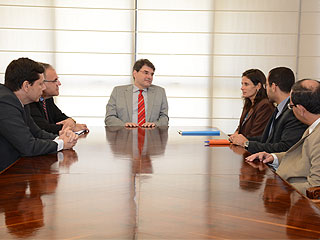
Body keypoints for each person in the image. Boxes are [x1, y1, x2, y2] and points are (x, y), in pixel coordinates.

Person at [246, 79, 320, 196]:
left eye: (291, 107)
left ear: (300, 109)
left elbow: (315, 187)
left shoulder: (318, 137)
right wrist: (273, 157)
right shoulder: (313, 127)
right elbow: (300, 156)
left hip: (297, 202)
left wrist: (282, 188)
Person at [0, 57, 78, 162]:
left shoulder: (21, 101)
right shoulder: (5, 103)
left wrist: (60, 136)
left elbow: (37, 133)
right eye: (40, 84)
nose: (44, 88)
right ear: (26, 86)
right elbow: (28, 147)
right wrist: (61, 143)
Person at [229, 67, 308, 153]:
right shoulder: (279, 108)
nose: (265, 89)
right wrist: (244, 140)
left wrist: (247, 143)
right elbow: (267, 138)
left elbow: (285, 147)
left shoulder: (294, 111)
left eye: (266, 85)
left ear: (273, 87)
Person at [105, 59, 169, 127]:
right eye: (146, 73)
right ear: (135, 73)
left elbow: (164, 118)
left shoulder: (160, 92)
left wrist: (155, 124)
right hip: (124, 135)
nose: (150, 77)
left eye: (152, 74)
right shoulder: (118, 91)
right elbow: (109, 118)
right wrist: (124, 125)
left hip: (151, 135)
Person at [28, 63, 88, 134]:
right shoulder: (30, 101)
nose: (59, 83)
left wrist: (71, 121)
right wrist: (72, 128)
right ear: (42, 82)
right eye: (55, 80)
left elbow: (59, 117)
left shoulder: (47, 99)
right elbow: (44, 128)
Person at [230, 69, 275, 138]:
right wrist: (236, 133)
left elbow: (256, 135)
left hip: (252, 146)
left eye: (246, 84)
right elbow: (241, 127)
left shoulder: (265, 105)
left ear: (258, 86)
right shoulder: (249, 103)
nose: (242, 88)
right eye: (242, 84)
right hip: (242, 144)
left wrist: (239, 138)